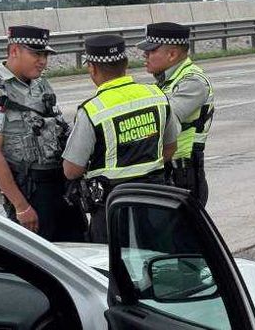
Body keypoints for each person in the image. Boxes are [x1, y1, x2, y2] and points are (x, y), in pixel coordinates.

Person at [0, 25, 87, 241]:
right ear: (14, 50)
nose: (42, 61)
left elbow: (60, 129)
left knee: (81, 250)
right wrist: (21, 206)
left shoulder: (41, 85)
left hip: (61, 187)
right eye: (36, 53)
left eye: (45, 55)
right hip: (30, 191)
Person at [62, 34, 179, 243]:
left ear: (92, 68)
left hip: (113, 209)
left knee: (112, 269)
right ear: (125, 63)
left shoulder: (92, 110)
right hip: (156, 202)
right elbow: (170, 148)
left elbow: (72, 170)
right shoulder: (156, 95)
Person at [137, 22, 214, 205]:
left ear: (172, 54)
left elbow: (162, 119)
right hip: (169, 173)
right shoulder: (167, 81)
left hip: (184, 176)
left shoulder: (193, 82)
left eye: (151, 51)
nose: (145, 55)